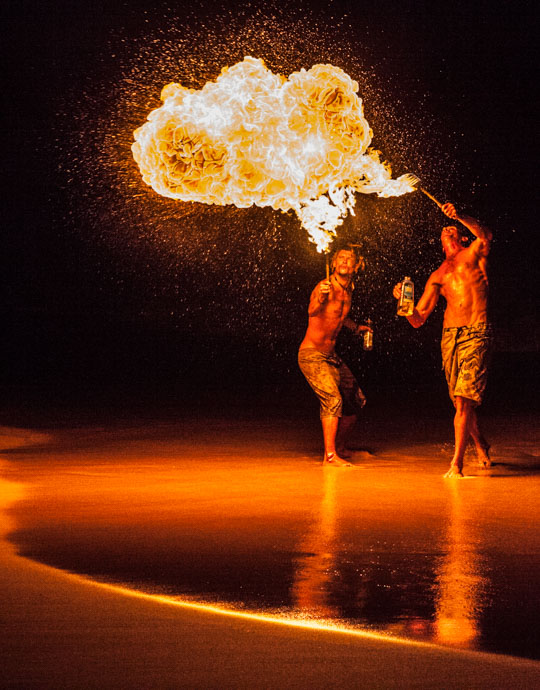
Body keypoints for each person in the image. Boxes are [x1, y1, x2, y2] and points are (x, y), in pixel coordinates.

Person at [393, 203, 493, 477]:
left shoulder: (474, 252)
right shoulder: (437, 276)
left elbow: (484, 234)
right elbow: (418, 318)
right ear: (441, 244)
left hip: (476, 329)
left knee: (463, 399)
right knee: (460, 402)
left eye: (454, 230)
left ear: (462, 237)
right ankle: (481, 443)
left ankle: (456, 463)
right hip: (450, 337)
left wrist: (459, 215)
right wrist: (403, 301)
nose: (448, 230)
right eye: (445, 231)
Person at [298, 245, 373, 466]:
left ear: (356, 266)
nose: (344, 262)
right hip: (312, 354)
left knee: (356, 400)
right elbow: (312, 311)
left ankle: (340, 447)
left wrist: (356, 327)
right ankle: (330, 457)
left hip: (331, 356)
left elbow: (339, 316)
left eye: (349, 259)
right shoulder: (324, 286)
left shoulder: (349, 288)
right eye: (340, 258)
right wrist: (320, 298)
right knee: (332, 400)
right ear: (333, 263)